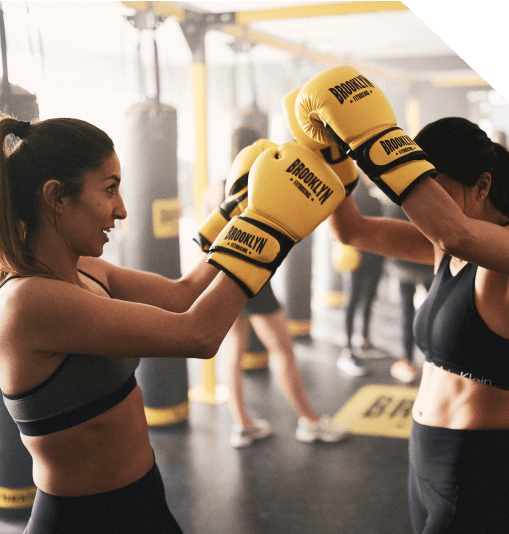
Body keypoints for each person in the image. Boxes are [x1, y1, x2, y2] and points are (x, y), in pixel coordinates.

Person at [0, 115, 343, 533]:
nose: (122, 209)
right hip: (83, 521)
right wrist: (269, 227)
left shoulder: (88, 269)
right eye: (109, 189)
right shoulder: (28, 301)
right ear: (56, 197)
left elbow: (184, 293)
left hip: (144, 498)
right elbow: (197, 334)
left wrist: (240, 208)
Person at [296, 66, 509, 533]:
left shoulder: (498, 253)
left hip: (482, 468)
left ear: (483, 186)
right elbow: (353, 230)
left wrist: (373, 139)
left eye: (441, 193)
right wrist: (332, 153)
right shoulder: (442, 246)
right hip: (423, 453)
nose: (428, 213)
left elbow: (457, 234)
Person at [200, 125, 349, 448]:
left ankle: (242, 425)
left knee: (234, 351)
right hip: (251, 278)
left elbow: (207, 237)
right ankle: (309, 421)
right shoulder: (260, 183)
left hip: (220, 277)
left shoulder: (217, 187)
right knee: (283, 350)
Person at [336, 173, 385, 377]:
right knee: (354, 300)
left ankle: (363, 341)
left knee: (365, 299)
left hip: (372, 257)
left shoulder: (373, 198)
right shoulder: (349, 198)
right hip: (355, 257)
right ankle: (347, 349)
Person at [383, 203, 434, 384]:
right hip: (428, 264)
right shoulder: (428, 200)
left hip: (404, 266)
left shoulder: (395, 204)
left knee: (406, 313)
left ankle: (408, 360)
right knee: (433, 313)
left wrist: (391, 263)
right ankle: (433, 359)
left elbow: (389, 236)